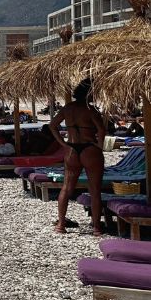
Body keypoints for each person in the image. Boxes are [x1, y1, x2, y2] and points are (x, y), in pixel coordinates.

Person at [50, 78, 106, 235]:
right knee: (95, 190)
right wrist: (99, 146)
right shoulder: (91, 110)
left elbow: (52, 125)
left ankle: (61, 225)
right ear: (89, 93)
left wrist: (63, 143)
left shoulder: (68, 108)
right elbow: (101, 130)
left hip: (71, 150)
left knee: (66, 188)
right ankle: (96, 227)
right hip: (89, 149)